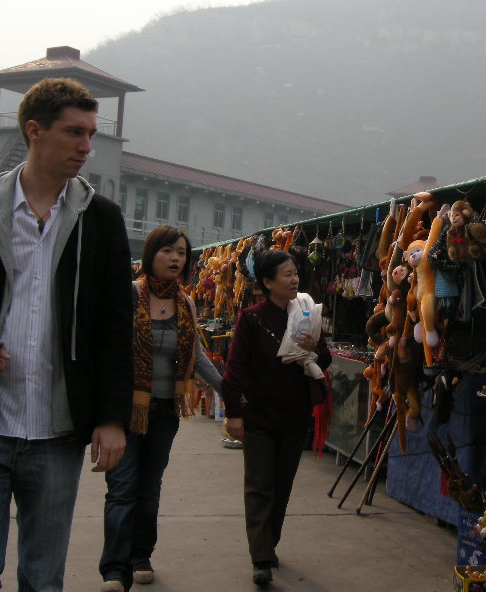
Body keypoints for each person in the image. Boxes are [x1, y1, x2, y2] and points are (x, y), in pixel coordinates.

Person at [0, 77, 134, 592]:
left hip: (57, 430)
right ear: (34, 131)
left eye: (90, 133)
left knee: (43, 578)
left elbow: (113, 327)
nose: (87, 146)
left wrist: (111, 417)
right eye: (73, 132)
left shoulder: (101, 220)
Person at [100, 225, 223, 592]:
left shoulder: (185, 303)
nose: (175, 258)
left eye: (182, 253)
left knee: (149, 489)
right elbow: (108, 351)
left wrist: (227, 388)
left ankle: (141, 555)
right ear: (151, 254)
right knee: (121, 488)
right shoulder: (129, 295)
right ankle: (114, 570)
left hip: (165, 412)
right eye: (168, 251)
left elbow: (197, 355)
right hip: (126, 411)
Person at [222, 249, 331, 587]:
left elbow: (323, 361)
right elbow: (235, 369)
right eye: (286, 274)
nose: (294, 279)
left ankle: (269, 544)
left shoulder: (307, 311)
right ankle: (261, 558)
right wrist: (234, 414)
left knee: (282, 487)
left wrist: (315, 346)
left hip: (294, 416)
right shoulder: (252, 318)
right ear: (268, 282)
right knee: (259, 488)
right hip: (258, 416)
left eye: (295, 272)